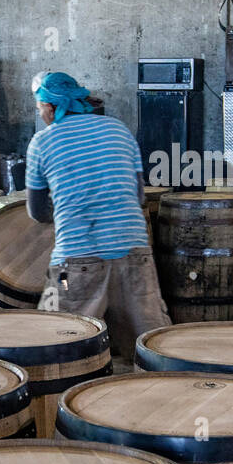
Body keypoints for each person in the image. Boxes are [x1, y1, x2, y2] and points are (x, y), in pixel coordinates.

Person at [25, 71, 171, 358]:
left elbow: (36, 210)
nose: (40, 113)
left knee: (57, 343)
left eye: (40, 107)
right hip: (134, 254)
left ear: (51, 108)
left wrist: (68, 209)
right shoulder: (119, 130)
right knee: (149, 345)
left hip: (77, 263)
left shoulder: (42, 143)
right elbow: (139, 195)